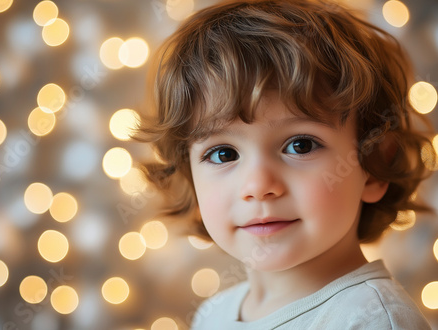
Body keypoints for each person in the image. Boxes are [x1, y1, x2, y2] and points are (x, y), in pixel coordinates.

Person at [135, 0, 436, 328]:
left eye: (300, 145)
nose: (258, 186)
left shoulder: (370, 320)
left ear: (375, 163)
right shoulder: (213, 314)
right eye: (223, 154)